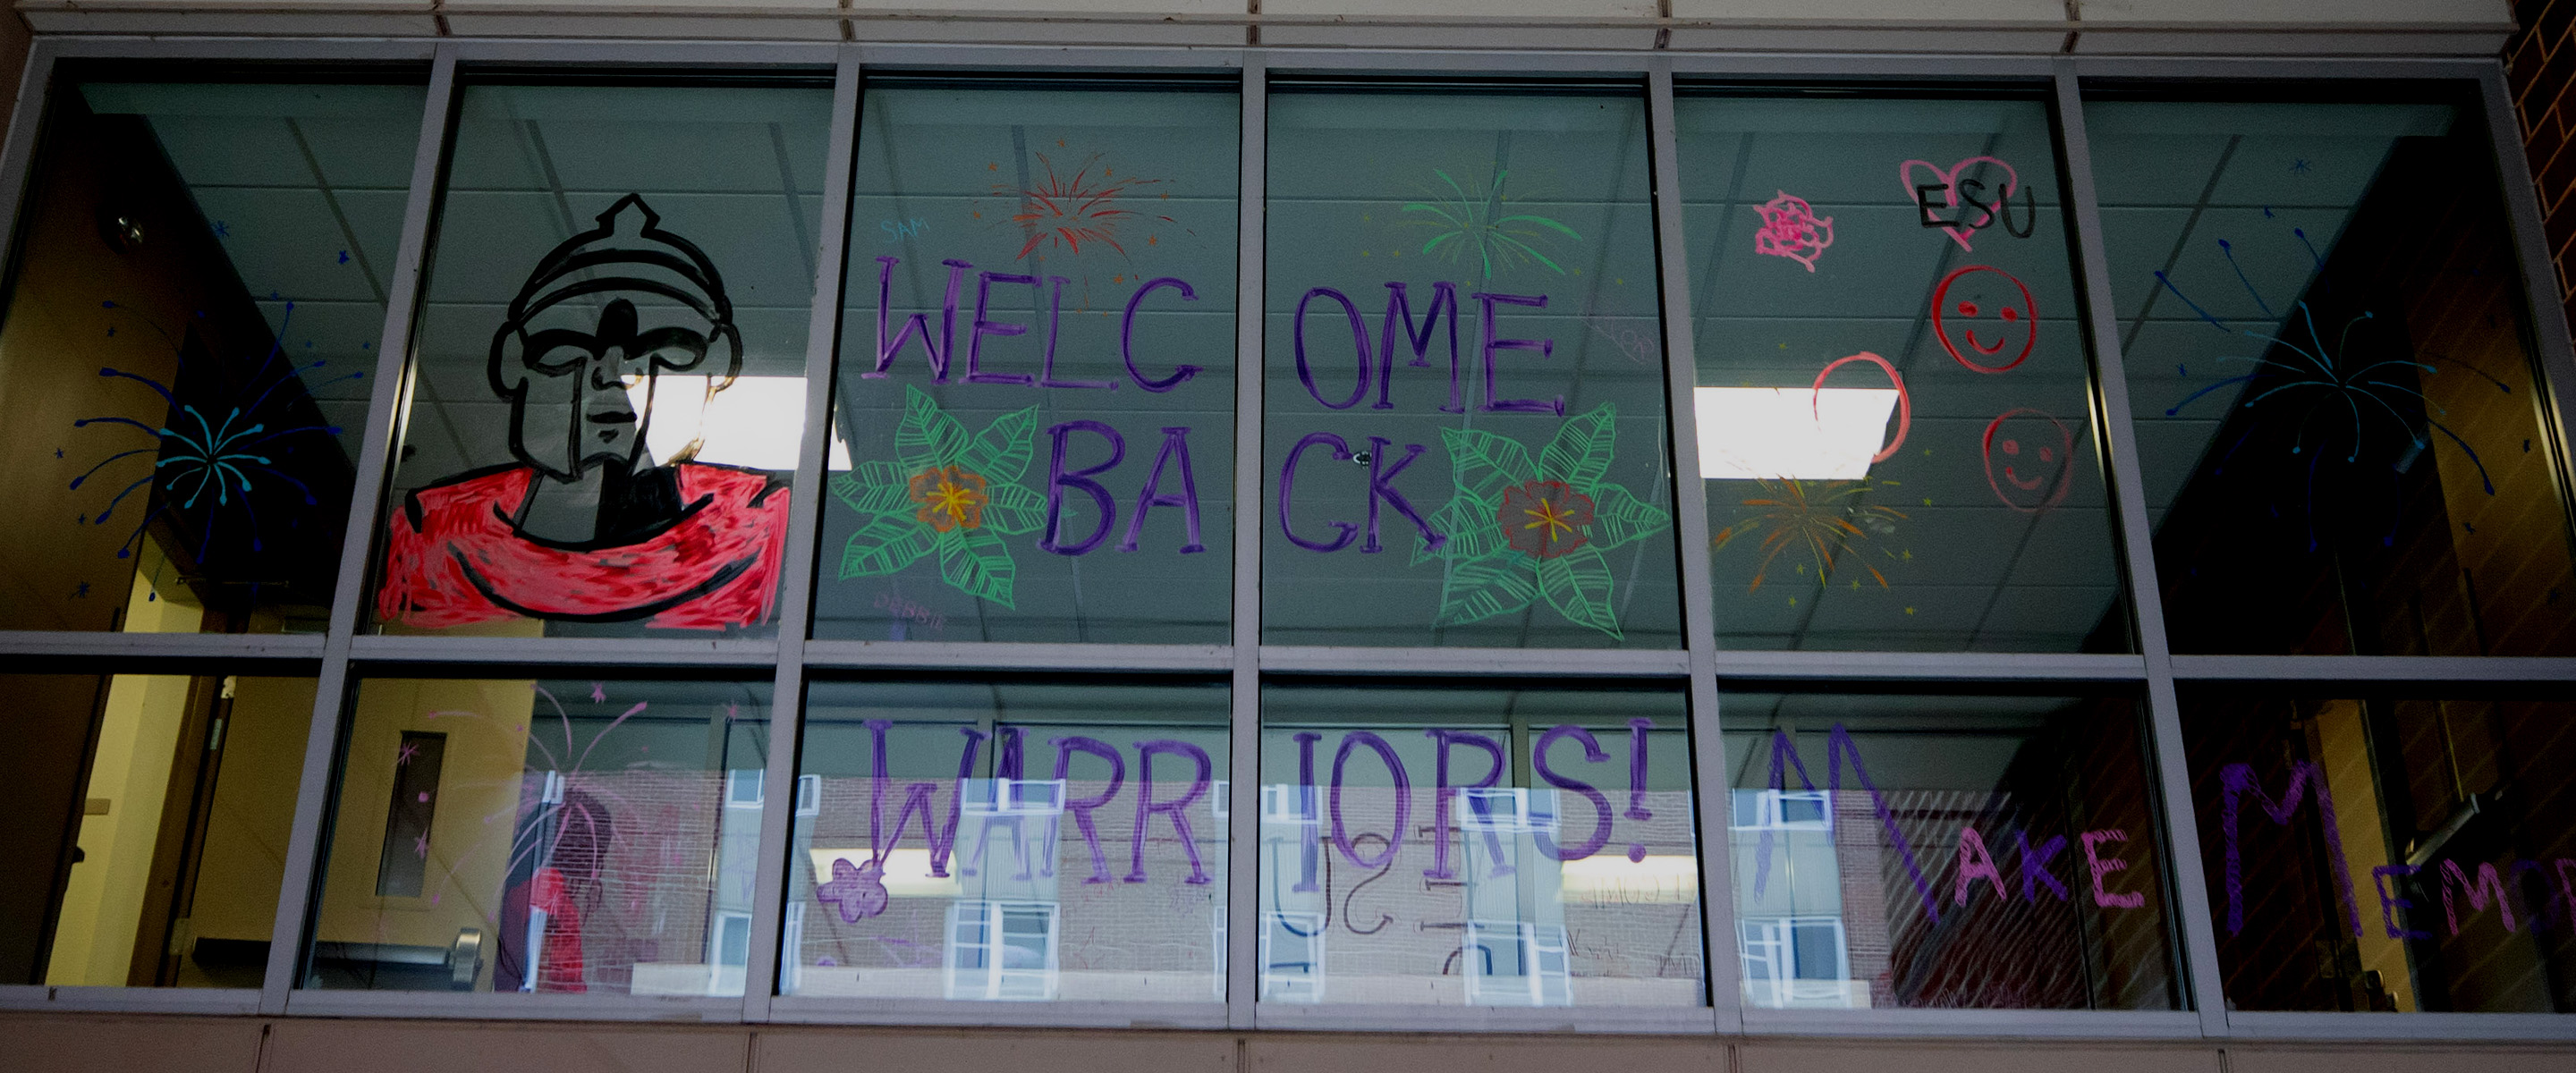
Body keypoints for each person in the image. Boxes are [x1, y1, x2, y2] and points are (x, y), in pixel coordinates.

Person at [377, 194, 788, 630]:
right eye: (563, 349)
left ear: (718, 371)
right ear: (510, 368)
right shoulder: (433, 535)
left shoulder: (752, 531)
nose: (611, 375)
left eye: (664, 348)